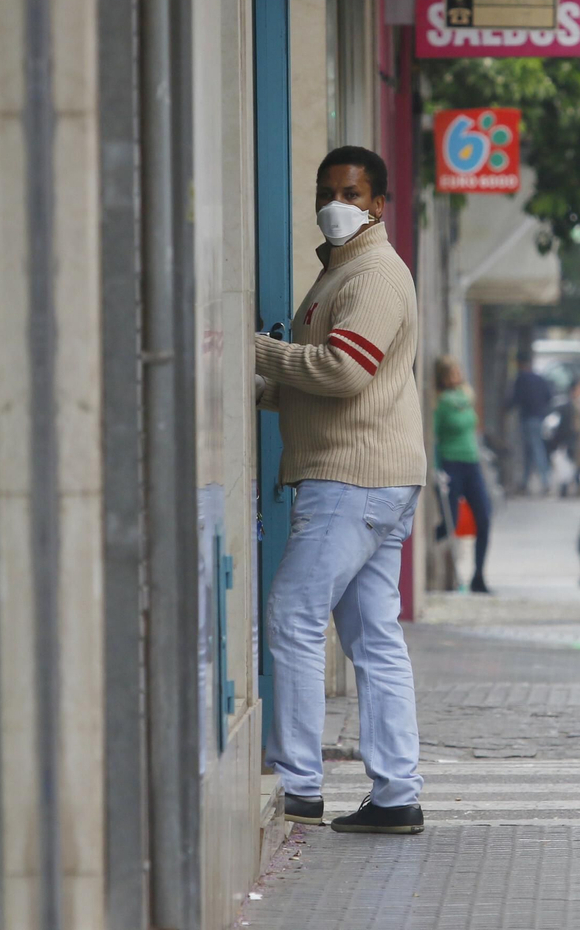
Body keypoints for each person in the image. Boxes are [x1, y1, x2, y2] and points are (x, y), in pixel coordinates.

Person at [253, 145, 427, 835]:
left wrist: (255, 351)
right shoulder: (345, 271)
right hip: (373, 474)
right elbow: (329, 381)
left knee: (294, 616)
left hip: (351, 477)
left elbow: (343, 372)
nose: (338, 203)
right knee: (373, 637)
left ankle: (297, 783)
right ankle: (396, 793)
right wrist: (264, 389)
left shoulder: (374, 273)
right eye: (328, 191)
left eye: (353, 193)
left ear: (379, 204)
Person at [432, 355, 491, 594]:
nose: (457, 376)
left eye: (458, 371)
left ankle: (479, 576)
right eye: (452, 373)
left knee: (484, 518)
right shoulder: (442, 403)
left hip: (472, 463)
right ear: (443, 377)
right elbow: (434, 438)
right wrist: (437, 470)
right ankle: (428, 544)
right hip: (451, 463)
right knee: (451, 522)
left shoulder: (467, 398)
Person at [507, 347, 554, 495]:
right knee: (530, 450)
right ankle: (525, 483)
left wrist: (506, 408)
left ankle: (545, 482)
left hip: (528, 417)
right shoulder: (538, 378)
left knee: (535, 449)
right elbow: (548, 396)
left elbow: (516, 398)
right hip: (539, 416)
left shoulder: (521, 378)